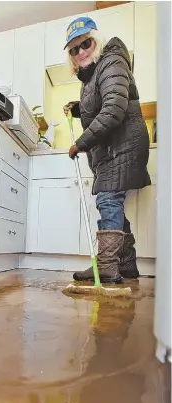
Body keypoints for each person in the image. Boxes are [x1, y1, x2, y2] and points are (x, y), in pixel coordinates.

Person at [63, 17, 151, 283]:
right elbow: (103, 102)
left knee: (108, 201)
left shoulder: (111, 61)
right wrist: (78, 108)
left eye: (85, 43)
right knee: (112, 204)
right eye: (74, 49)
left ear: (96, 40)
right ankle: (126, 265)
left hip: (121, 146)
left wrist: (81, 143)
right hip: (115, 147)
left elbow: (113, 108)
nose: (81, 52)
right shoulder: (94, 73)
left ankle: (107, 266)